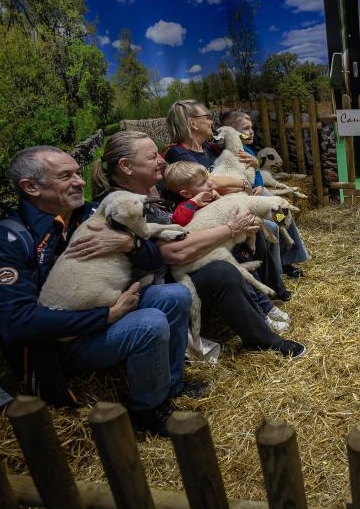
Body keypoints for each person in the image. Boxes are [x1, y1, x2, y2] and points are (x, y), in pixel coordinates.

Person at [0, 145, 199, 436]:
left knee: (175, 295)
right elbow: (16, 323)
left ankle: (171, 385)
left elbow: (155, 260)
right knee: (150, 323)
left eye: (78, 173)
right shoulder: (7, 242)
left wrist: (128, 245)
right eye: (66, 176)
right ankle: (147, 409)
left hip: (109, 306)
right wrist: (105, 315)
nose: (80, 182)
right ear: (31, 187)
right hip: (62, 342)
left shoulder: (95, 213)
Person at [93, 130, 307, 358]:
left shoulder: (158, 187)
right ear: (126, 167)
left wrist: (248, 178)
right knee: (224, 268)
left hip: (192, 252)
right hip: (160, 283)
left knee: (262, 231)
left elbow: (209, 184)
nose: (161, 160)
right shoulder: (126, 206)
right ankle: (263, 334)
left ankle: (276, 290)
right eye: (152, 157)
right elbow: (174, 252)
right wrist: (230, 229)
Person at [163, 100, 290, 300]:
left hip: (237, 200)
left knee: (277, 216)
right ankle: (275, 287)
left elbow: (233, 169)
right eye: (207, 116)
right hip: (216, 213)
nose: (211, 121)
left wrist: (255, 167)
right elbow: (211, 181)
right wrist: (242, 184)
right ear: (193, 123)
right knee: (269, 223)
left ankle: (287, 264)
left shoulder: (211, 149)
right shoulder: (178, 153)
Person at [163, 160, 291, 333]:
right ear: (185, 193)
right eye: (202, 183)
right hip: (216, 252)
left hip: (235, 245)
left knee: (254, 277)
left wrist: (218, 199)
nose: (209, 184)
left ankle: (268, 307)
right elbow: (179, 220)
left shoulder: (212, 195)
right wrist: (194, 202)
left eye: (207, 179)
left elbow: (229, 208)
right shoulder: (185, 206)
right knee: (246, 285)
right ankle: (262, 318)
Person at [217, 108, 311, 279]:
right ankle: (278, 270)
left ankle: (289, 259)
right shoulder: (230, 154)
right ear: (232, 132)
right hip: (248, 198)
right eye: (245, 129)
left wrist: (259, 185)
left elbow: (257, 173)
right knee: (276, 223)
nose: (251, 132)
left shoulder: (249, 150)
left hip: (260, 193)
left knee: (283, 216)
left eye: (251, 128)